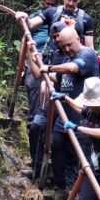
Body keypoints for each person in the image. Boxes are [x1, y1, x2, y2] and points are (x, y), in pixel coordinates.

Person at [40, 27, 99, 200]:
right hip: (63, 118)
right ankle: (61, 189)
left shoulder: (87, 55)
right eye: (63, 46)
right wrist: (41, 66)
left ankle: (82, 195)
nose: (66, 49)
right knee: (56, 148)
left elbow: (72, 69)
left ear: (78, 39)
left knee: (80, 157)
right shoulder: (67, 57)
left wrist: (49, 67)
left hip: (82, 119)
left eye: (69, 45)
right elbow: (59, 80)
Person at [27, 22, 67, 181]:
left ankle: (60, 181)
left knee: (58, 141)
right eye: (54, 36)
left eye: (60, 36)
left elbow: (58, 76)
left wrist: (47, 75)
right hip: (48, 103)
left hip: (65, 104)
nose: (57, 39)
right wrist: (31, 53)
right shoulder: (52, 51)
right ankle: (37, 171)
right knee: (35, 127)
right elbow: (38, 74)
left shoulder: (73, 53)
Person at [15, 0, 94, 49]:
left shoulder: (85, 18)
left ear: (79, 0)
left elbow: (89, 47)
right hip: (53, 58)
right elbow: (31, 24)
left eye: (74, 1)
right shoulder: (52, 12)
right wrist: (25, 18)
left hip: (74, 59)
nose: (71, 3)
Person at [24, 0, 59, 124]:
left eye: (53, 4)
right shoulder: (36, 16)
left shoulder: (58, 16)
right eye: (47, 3)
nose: (49, 7)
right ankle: (32, 118)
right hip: (35, 55)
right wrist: (24, 60)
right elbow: (26, 36)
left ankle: (43, 119)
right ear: (43, 2)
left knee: (48, 87)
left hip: (51, 57)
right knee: (33, 85)